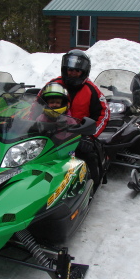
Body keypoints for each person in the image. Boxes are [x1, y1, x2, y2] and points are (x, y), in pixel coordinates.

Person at [40, 49, 109, 188]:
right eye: (70, 69)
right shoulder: (53, 85)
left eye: (77, 71)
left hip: (79, 135)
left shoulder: (92, 89)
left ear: (84, 72)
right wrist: (32, 126)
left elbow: (104, 113)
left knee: (90, 156)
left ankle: (92, 185)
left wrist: (91, 136)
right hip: (49, 133)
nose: (73, 73)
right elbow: (36, 105)